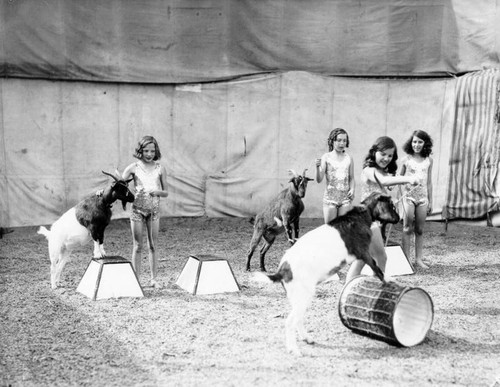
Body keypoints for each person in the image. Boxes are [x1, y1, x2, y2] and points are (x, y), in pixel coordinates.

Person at [345, 136, 418, 283]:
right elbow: (383, 181)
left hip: (374, 220)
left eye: (390, 155)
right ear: (374, 152)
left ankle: (354, 287)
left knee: (364, 257)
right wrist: (408, 178)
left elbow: (385, 183)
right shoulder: (369, 170)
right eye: (383, 154)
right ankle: (375, 286)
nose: (386, 158)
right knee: (381, 257)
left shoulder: (382, 172)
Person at [122, 135, 168, 288]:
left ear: (156, 152)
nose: (149, 154)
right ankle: (136, 280)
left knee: (153, 244)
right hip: (137, 210)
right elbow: (120, 185)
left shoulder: (160, 168)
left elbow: (166, 192)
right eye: (146, 151)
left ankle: (154, 279)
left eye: (152, 151)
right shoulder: (133, 167)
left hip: (154, 210)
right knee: (137, 245)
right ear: (140, 151)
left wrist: (157, 192)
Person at [399, 130, 433, 269]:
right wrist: (398, 198)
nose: (417, 145)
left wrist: (430, 200)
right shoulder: (406, 160)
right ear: (410, 143)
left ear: (425, 143)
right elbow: (399, 179)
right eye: (414, 141)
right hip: (409, 197)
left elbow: (429, 182)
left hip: (423, 198)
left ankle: (418, 259)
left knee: (419, 229)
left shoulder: (429, 160)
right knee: (407, 228)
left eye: (420, 142)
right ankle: (406, 260)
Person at [315, 128, 355, 224]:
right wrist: (317, 167)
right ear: (332, 141)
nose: (342, 143)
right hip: (330, 199)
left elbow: (351, 178)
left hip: (345, 199)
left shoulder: (349, 158)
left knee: (343, 230)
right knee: (330, 230)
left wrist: (352, 189)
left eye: (344, 140)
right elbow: (319, 179)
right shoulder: (326, 157)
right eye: (339, 140)